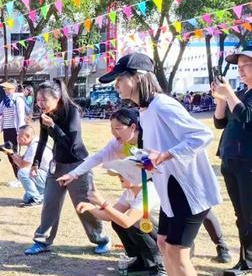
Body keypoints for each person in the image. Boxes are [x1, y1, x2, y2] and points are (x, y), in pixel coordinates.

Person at [101, 52, 221, 276]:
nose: (116, 86)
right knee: (164, 244)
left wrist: (164, 155)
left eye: (120, 80)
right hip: (169, 189)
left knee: (178, 252)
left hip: (187, 189)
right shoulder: (146, 110)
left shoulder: (163, 105)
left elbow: (202, 136)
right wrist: (138, 162)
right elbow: (156, 152)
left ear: (137, 78)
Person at [58, 108, 231, 266]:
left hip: (178, 179)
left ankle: (219, 245)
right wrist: (73, 174)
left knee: (201, 210)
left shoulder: (151, 136)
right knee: (156, 217)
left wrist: (146, 164)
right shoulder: (118, 143)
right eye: (112, 128)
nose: (113, 133)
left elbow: (165, 158)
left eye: (118, 128)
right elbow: (97, 157)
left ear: (133, 127)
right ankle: (154, 256)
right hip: (151, 182)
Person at [24, 79, 110, 256]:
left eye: (44, 100)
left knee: (83, 204)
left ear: (57, 98)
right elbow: (42, 141)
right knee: (50, 202)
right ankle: (42, 240)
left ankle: (100, 238)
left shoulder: (72, 112)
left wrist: (53, 126)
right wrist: (36, 163)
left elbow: (71, 143)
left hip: (77, 165)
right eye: (38, 100)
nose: (40, 104)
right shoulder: (45, 116)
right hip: (57, 165)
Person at [76, 159, 167, 276]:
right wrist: (91, 207)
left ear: (137, 176)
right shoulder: (129, 192)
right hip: (155, 234)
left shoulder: (150, 191)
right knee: (117, 221)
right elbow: (109, 216)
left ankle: (163, 266)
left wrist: (103, 203)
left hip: (167, 240)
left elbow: (127, 222)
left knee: (135, 224)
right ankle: (142, 261)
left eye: (123, 173)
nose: (119, 176)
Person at [212, 46, 252, 276]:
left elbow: (246, 116)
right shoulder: (241, 92)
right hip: (230, 159)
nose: (241, 71)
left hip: (248, 161)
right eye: (239, 67)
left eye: (246, 65)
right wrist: (220, 99)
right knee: (241, 215)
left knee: (250, 214)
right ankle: (246, 260)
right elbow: (219, 122)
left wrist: (229, 95)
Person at [0, 124, 52, 206]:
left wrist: (12, 153)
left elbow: (23, 165)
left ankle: (37, 200)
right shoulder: (33, 143)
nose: (17, 138)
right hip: (47, 177)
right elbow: (22, 159)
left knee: (23, 172)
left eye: (20, 136)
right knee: (26, 198)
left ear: (27, 136)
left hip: (49, 178)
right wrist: (9, 152)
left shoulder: (34, 146)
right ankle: (42, 195)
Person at [0, 80, 27, 186]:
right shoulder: (5, 100)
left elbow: (20, 116)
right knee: (9, 154)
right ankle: (17, 177)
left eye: (7, 88)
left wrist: (20, 131)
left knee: (15, 153)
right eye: (4, 88)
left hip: (14, 130)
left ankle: (21, 178)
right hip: (6, 130)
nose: (5, 90)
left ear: (13, 88)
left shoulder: (18, 99)